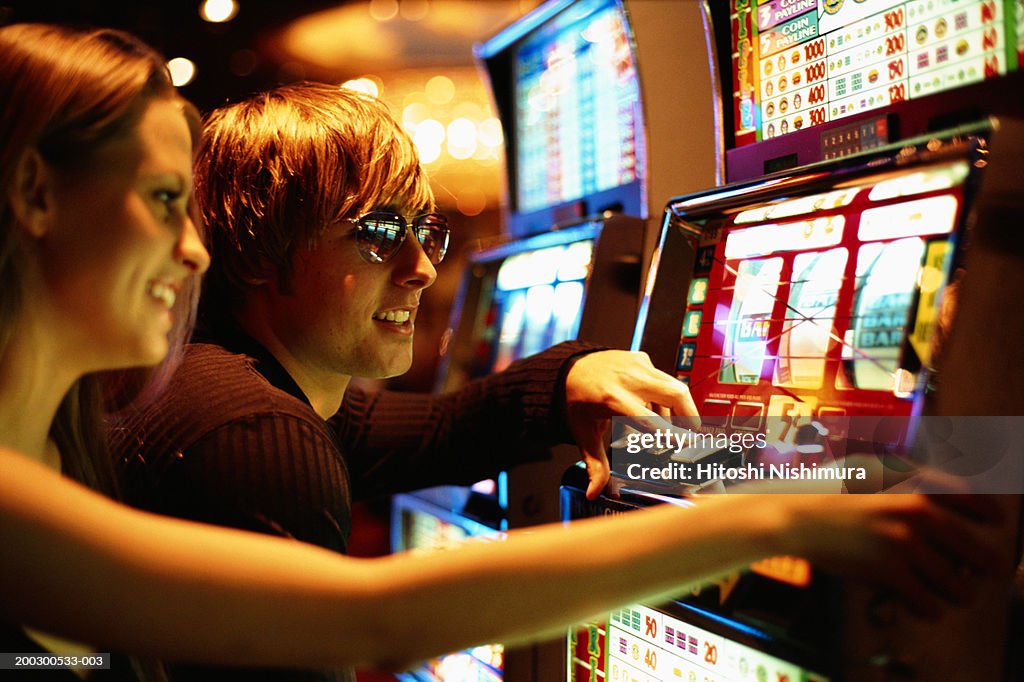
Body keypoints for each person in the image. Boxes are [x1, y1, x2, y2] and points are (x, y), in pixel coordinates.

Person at [109, 80, 1011, 681]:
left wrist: (576, 372)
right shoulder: (253, 435)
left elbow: (437, 428)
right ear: (263, 249)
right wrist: (784, 500)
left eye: (428, 231)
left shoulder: (223, 387)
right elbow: (376, 622)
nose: (424, 270)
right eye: (380, 235)